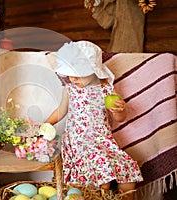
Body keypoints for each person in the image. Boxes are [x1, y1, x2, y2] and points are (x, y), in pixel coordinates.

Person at [45, 41, 143, 200]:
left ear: (94, 71)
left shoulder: (107, 89)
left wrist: (120, 110)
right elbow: (61, 111)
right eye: (70, 73)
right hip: (79, 142)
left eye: (79, 73)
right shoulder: (70, 89)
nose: (73, 78)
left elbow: (120, 118)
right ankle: (99, 195)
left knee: (127, 170)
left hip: (102, 141)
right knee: (101, 175)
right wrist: (46, 124)